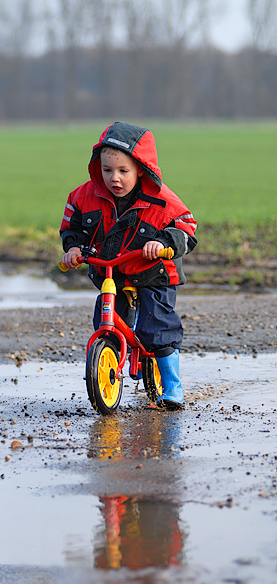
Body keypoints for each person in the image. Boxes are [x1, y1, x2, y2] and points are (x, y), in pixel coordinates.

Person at [60, 121, 197, 409]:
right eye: (107, 170)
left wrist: (162, 243)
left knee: (157, 325)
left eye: (123, 171)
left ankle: (172, 386)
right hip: (113, 271)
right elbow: (72, 227)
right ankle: (110, 356)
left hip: (154, 272)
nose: (114, 178)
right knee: (106, 320)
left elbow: (186, 227)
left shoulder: (160, 200)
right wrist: (73, 247)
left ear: (140, 169)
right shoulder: (84, 196)